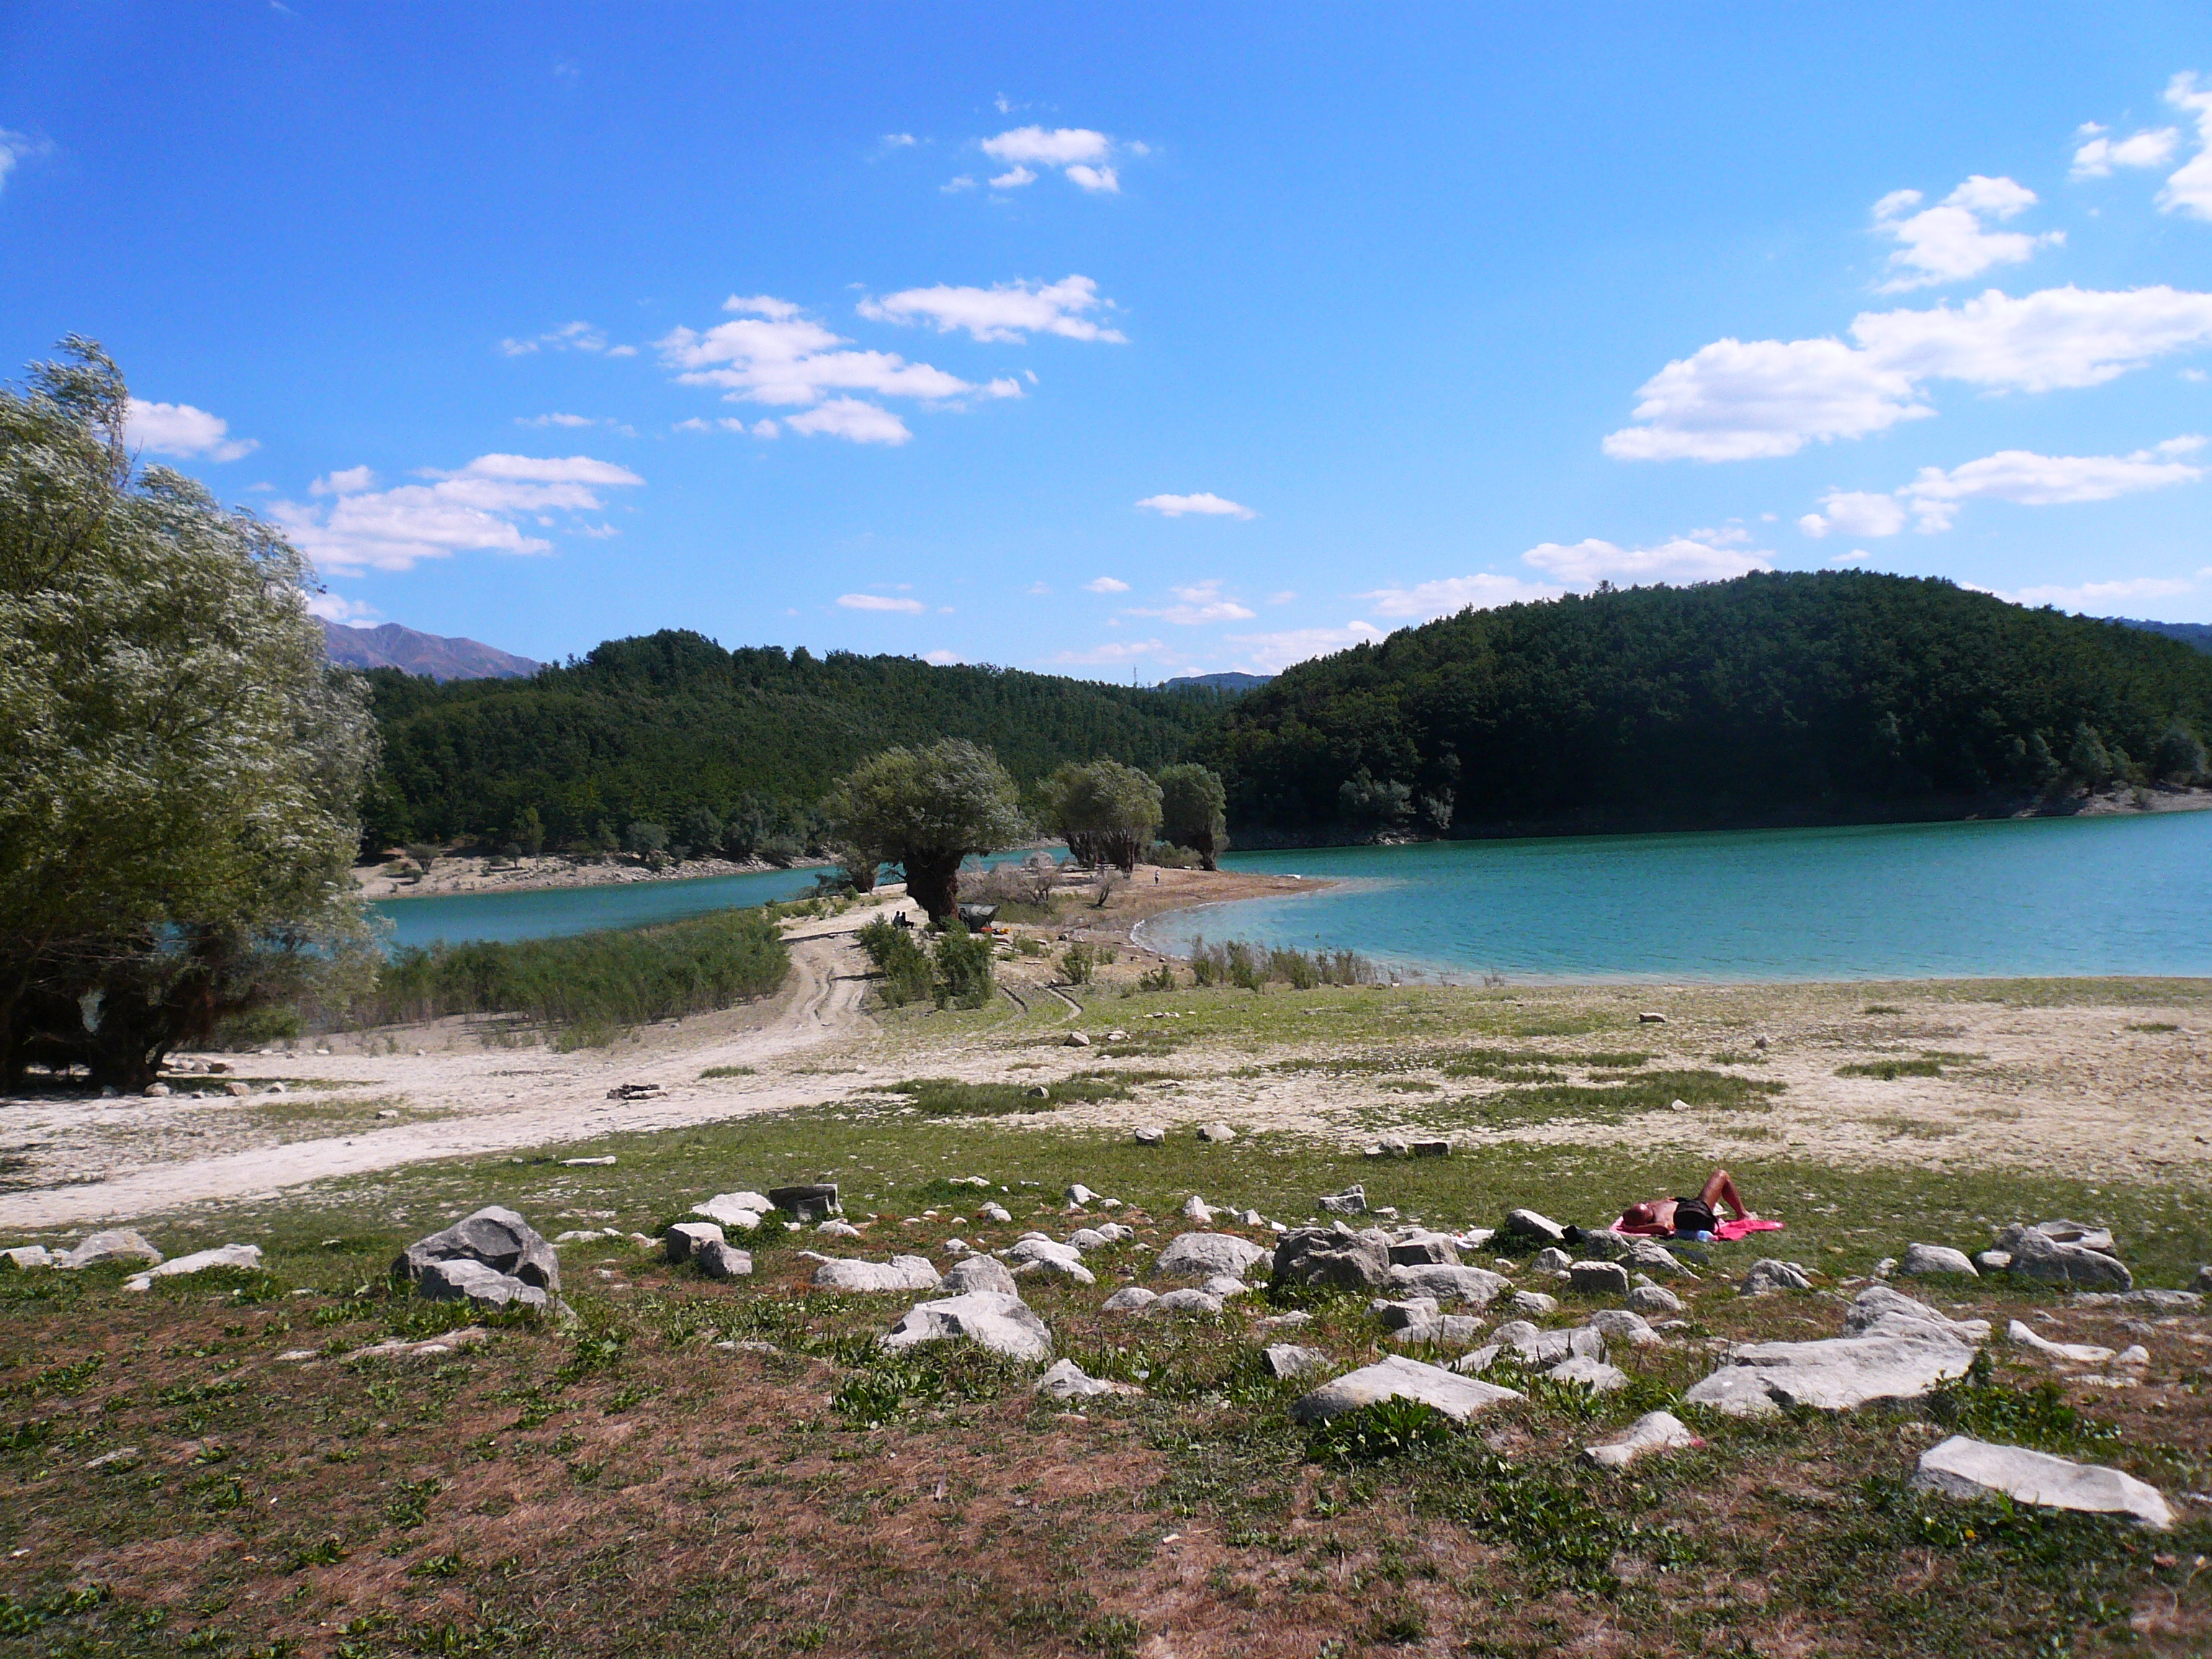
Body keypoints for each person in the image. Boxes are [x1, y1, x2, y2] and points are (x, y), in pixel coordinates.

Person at [1616, 1169, 1753, 1241]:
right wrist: (1634, 1229)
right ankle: (1743, 1215)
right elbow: (1664, 1228)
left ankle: (1742, 1213)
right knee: (1721, 1175)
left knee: (1720, 1178)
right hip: (1694, 1212)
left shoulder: (1651, 1207)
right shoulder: (1659, 1219)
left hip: (1691, 1206)